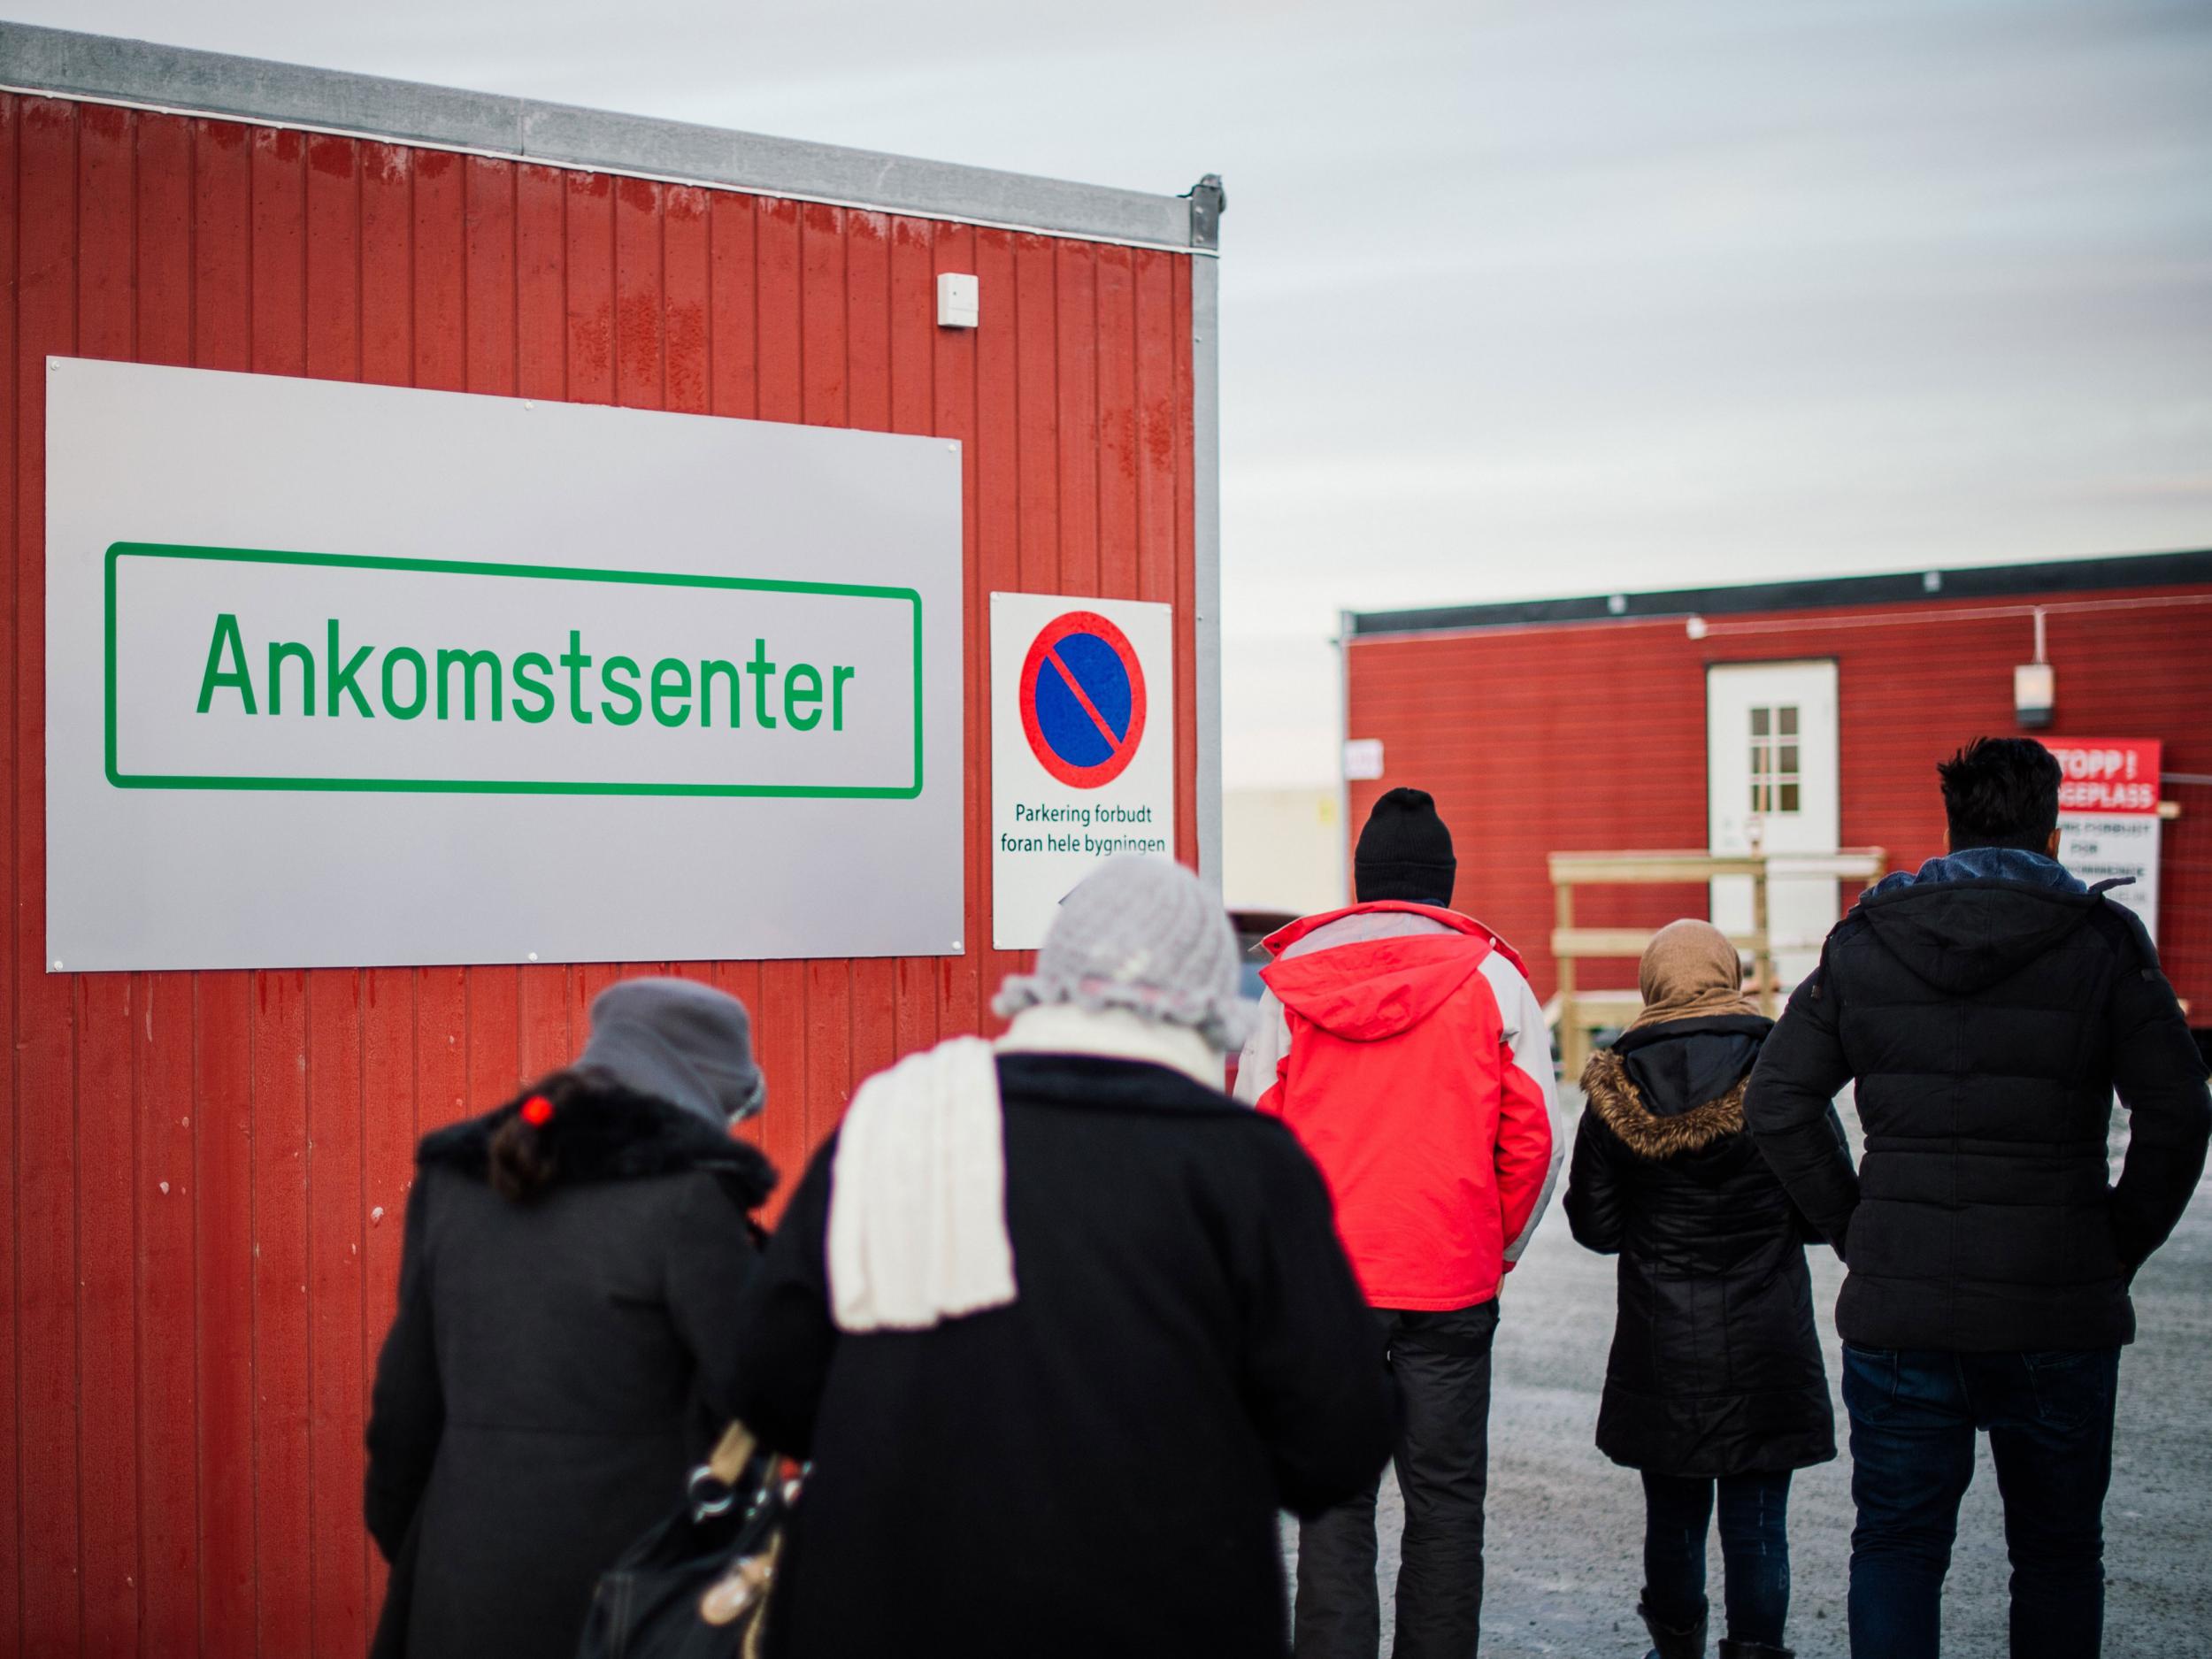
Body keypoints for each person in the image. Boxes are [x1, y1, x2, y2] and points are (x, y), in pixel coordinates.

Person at [726, 856, 1397, 1658]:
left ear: (1053, 977)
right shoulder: (1248, 1167)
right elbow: (1334, 1447)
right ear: (1207, 1002)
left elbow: (771, 1389)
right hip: (1164, 1614)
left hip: (880, 1608)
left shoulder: (895, 1122)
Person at [1746, 737, 2211, 1659]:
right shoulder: (2099, 942)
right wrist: (2114, 1241)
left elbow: (1775, 1097)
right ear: (2054, 829)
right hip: (2057, 1304)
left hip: (1901, 1307)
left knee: (1896, 1546)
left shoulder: (1868, 937)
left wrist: (1854, 1227)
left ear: (1950, 825)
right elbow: (2177, 1111)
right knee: (2056, 1554)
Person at [1236, 786, 1567, 1658]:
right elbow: (1535, 1139)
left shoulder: (1292, 984)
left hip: (1328, 1289)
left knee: (1334, 1507)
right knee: (1447, 1500)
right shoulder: (1496, 980)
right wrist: (1486, 1247)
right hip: (1450, 1279)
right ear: (1444, 884)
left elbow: (1253, 1140)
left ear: (1364, 881)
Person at [364, 978, 777, 1659]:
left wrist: (443, 1551)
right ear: (707, 1091)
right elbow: (754, 1402)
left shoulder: (459, 1180)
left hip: (461, 1593)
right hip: (632, 1609)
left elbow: (404, 1417)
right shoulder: (690, 1197)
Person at [1566, 920, 1837, 1659]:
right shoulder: (1782, 1070)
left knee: (1675, 1517)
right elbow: (1827, 1208)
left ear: (1651, 984)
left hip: (1664, 1341)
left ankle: (1676, 1650)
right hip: (1767, 1335)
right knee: (1756, 1520)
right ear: (1731, 974)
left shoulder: (1615, 1083)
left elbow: (1593, 1224)